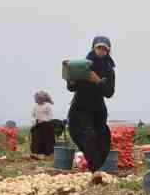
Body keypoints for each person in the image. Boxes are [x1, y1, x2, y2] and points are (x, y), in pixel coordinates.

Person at [66, 36, 116, 181]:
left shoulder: (109, 70)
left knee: (103, 138)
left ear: (108, 51)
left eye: (105, 49)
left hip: (97, 109)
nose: (101, 51)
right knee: (87, 135)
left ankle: (96, 166)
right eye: (99, 47)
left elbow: (109, 93)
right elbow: (71, 87)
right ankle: (95, 170)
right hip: (80, 107)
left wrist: (98, 81)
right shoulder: (82, 65)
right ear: (93, 48)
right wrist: (72, 80)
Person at [30, 90, 58, 158]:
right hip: (37, 125)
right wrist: (34, 121)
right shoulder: (35, 106)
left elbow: (50, 116)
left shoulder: (47, 106)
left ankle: (48, 153)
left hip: (46, 125)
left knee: (47, 139)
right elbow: (32, 115)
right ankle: (37, 153)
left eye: (37, 98)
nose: (36, 100)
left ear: (41, 99)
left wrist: (44, 120)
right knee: (37, 139)